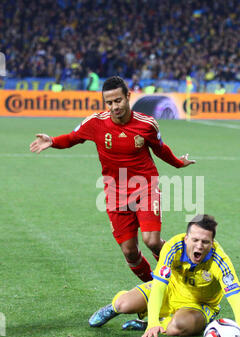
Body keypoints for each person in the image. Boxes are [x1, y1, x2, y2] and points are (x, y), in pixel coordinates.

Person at [30, 76, 195, 283]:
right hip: (115, 193)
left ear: (128, 96)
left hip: (145, 187)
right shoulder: (95, 123)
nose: (114, 106)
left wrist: (178, 163)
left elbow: (160, 150)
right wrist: (52, 141)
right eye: (109, 102)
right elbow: (72, 139)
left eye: (118, 100)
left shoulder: (147, 124)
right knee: (129, 252)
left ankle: (184, 275)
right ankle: (153, 290)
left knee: (151, 241)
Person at [89, 214, 240, 337]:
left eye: (205, 242)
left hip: (198, 305)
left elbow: (237, 301)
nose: (199, 246)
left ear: (212, 243)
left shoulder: (220, 261)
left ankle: (159, 323)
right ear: (186, 238)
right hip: (170, 290)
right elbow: (158, 287)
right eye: (195, 240)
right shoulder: (172, 247)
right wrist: (153, 322)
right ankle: (119, 311)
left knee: (175, 328)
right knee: (123, 305)